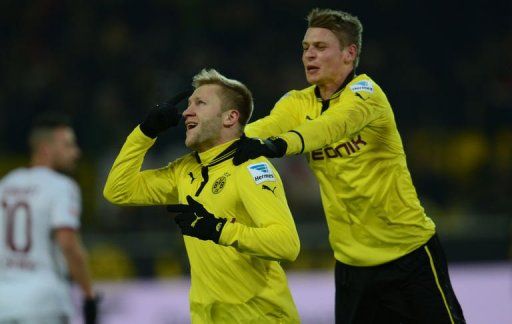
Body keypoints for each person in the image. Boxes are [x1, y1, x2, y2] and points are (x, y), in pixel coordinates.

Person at [233, 8, 465, 324]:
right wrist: (223, 140)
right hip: (352, 267)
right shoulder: (297, 103)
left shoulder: (366, 94)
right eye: (305, 47)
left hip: (409, 257)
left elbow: (332, 126)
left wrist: (278, 146)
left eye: (320, 47)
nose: (308, 55)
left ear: (349, 53)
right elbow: (266, 126)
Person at [103, 68, 301, 323]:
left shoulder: (250, 167)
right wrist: (145, 133)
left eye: (200, 103)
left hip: (259, 316)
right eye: (188, 104)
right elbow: (118, 190)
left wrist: (219, 229)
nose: (187, 112)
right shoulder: (185, 171)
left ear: (230, 118)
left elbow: (287, 244)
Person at [0, 114, 98, 324]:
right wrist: (89, 295)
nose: (76, 152)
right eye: (68, 145)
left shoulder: (6, 184)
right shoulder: (61, 186)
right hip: (44, 302)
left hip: (4, 302)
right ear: (46, 148)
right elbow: (68, 243)